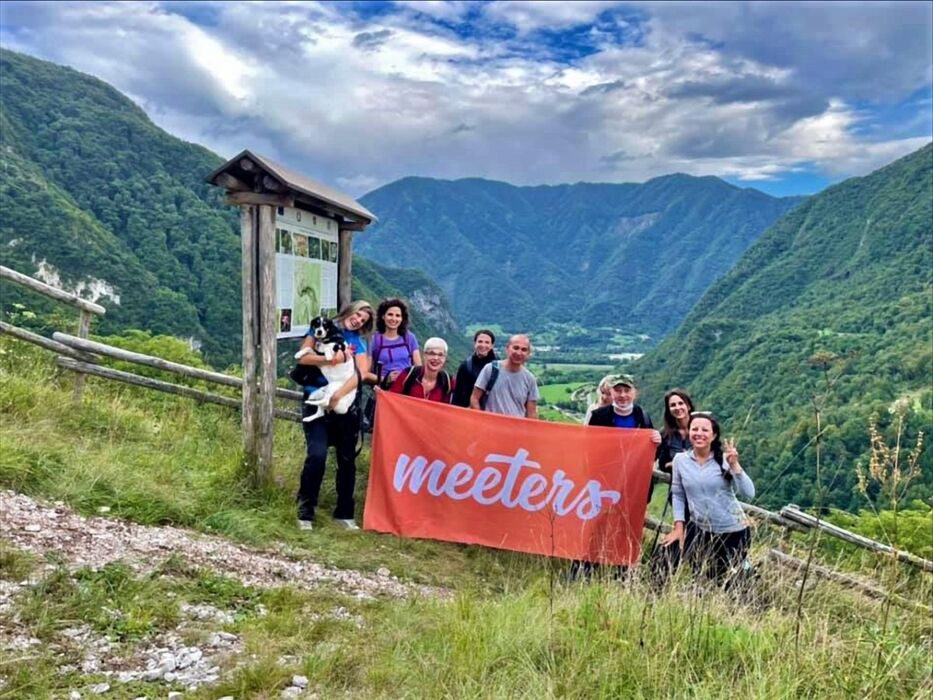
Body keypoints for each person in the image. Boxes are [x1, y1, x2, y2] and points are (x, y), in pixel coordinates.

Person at [294, 300, 376, 532]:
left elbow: (361, 373)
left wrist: (338, 396)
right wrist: (331, 359)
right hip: (315, 399)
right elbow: (303, 357)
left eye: (363, 320)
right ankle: (304, 510)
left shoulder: (358, 343)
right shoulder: (322, 327)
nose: (358, 321)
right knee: (317, 455)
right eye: (357, 315)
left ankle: (345, 512)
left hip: (345, 405)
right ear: (349, 311)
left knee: (347, 459)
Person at [572, 373, 661, 580]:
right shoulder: (599, 416)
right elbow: (588, 449)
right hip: (605, 483)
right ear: (610, 392)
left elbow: (651, 453)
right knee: (597, 526)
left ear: (634, 393)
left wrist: (656, 441)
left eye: (626, 390)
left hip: (632, 485)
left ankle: (622, 573)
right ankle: (583, 571)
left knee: (627, 528)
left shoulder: (642, 416)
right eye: (618, 390)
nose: (622, 395)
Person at [661, 412, 755, 584]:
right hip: (701, 530)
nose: (699, 433)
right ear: (689, 432)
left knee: (727, 581)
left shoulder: (724, 460)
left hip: (733, 531)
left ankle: (748, 581)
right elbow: (678, 494)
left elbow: (749, 493)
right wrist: (678, 526)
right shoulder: (680, 460)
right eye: (694, 429)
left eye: (705, 430)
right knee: (700, 576)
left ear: (714, 435)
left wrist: (735, 465)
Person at [470, 334, 539, 418]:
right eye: (516, 348)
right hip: (490, 424)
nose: (519, 353)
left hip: (516, 425)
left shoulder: (530, 379)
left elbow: (531, 413)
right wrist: (481, 419)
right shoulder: (490, 369)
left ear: (528, 354)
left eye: (524, 350)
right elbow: (474, 398)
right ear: (507, 348)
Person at [370, 298, 421, 388]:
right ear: (383, 316)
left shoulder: (409, 338)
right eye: (390, 314)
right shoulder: (374, 340)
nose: (394, 319)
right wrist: (386, 378)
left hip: (406, 389)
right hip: (384, 389)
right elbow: (366, 374)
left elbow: (419, 368)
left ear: (402, 319)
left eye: (398, 316)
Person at [388, 337, 455, 402]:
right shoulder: (408, 375)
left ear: (445, 358)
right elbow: (391, 399)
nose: (436, 358)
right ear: (424, 355)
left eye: (440, 355)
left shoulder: (448, 382)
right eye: (432, 353)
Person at [451, 329, 497, 408]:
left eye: (487, 342)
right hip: (468, 411)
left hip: (491, 411)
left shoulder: (498, 366)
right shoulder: (466, 366)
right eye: (480, 341)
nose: (483, 345)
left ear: (492, 345)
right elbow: (458, 394)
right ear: (475, 343)